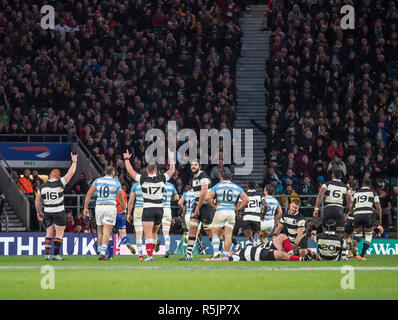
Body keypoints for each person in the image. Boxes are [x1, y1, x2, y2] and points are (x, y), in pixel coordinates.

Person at [123, 149, 175, 261]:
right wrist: (171, 157)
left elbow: (130, 171)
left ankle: (150, 256)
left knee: (148, 235)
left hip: (147, 209)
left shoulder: (143, 179)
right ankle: (155, 249)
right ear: (156, 170)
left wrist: (127, 159)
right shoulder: (162, 178)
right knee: (154, 232)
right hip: (160, 209)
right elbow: (172, 170)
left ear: (146, 170)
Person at [35, 153, 78, 260]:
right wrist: (74, 161)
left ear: (50, 175)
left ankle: (47, 255)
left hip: (47, 212)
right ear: (58, 176)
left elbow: (37, 200)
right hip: (58, 211)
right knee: (59, 234)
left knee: (49, 233)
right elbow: (70, 173)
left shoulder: (42, 186)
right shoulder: (60, 182)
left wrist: (38, 212)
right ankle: (56, 255)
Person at [83, 166, 127, 261]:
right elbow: (120, 197)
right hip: (109, 207)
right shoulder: (116, 182)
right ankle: (102, 253)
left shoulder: (97, 180)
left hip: (98, 207)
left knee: (100, 231)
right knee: (107, 231)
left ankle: (100, 250)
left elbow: (89, 194)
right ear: (113, 172)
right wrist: (124, 208)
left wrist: (85, 208)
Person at [205, 171, 249, 258]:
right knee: (228, 234)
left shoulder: (218, 186)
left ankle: (216, 253)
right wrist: (237, 208)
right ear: (231, 178)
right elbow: (246, 200)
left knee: (215, 232)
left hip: (220, 211)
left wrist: (214, 206)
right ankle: (225, 255)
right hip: (231, 212)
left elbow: (207, 198)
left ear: (222, 178)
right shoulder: (237, 187)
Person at [181, 159, 214, 261]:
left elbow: (204, 194)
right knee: (192, 228)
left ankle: (218, 252)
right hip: (197, 204)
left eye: (195, 165)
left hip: (205, 206)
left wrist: (197, 208)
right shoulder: (194, 178)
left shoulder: (203, 176)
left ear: (199, 166)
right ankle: (189, 254)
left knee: (209, 231)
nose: (193, 166)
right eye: (192, 165)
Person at [201, 234, 312, 262]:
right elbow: (225, 259)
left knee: (282, 236)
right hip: (261, 254)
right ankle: (301, 259)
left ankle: (293, 255)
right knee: (280, 254)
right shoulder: (237, 257)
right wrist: (211, 260)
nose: (231, 252)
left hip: (265, 246)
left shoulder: (240, 249)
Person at [313, 169, 351, 238]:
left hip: (328, 209)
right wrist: (346, 214)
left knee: (325, 232)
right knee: (340, 235)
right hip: (339, 210)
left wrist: (316, 209)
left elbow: (320, 196)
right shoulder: (346, 188)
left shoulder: (326, 184)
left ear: (332, 175)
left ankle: (325, 244)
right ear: (341, 176)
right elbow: (348, 204)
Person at [351, 179, 382, 261]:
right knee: (368, 236)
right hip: (368, 214)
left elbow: (351, 206)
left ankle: (353, 250)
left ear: (362, 184)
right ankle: (361, 255)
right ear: (370, 185)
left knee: (358, 235)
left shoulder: (356, 193)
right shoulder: (373, 193)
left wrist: (354, 215)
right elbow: (378, 208)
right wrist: (379, 219)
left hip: (357, 214)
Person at [108, 186, 135, 258]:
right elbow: (125, 205)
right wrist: (126, 213)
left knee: (109, 234)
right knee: (123, 233)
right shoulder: (122, 192)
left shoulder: (110, 192)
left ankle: (110, 256)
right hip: (121, 214)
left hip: (111, 214)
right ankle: (127, 243)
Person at [157, 180, 179, 258]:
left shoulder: (156, 183)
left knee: (153, 230)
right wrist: (170, 199)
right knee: (166, 232)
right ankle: (167, 250)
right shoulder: (171, 185)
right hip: (167, 210)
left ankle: (156, 240)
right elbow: (176, 197)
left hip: (157, 209)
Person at [127, 181, 145, 260]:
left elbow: (131, 201)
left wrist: (128, 213)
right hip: (148, 210)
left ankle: (140, 254)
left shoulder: (135, 185)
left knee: (138, 234)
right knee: (150, 233)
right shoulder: (151, 184)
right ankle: (150, 254)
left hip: (138, 210)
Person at [242, 181, 262, 247]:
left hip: (247, 216)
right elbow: (262, 206)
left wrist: (238, 211)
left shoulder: (244, 194)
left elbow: (240, 204)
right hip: (256, 216)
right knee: (256, 232)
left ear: (248, 186)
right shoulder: (259, 194)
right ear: (255, 187)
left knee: (247, 237)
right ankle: (256, 241)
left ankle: (248, 243)